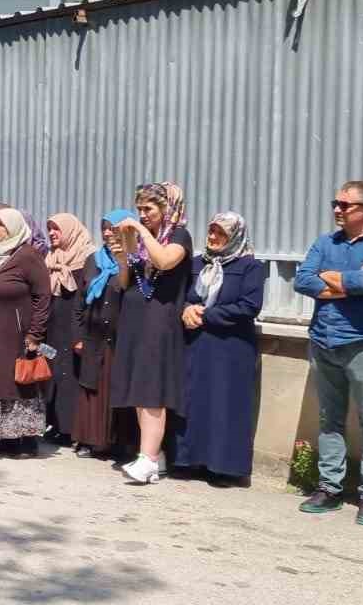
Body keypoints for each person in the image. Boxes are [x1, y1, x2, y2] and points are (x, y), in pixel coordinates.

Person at [293, 180, 363, 524]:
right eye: (336, 203)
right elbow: (302, 280)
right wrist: (348, 283)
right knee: (330, 418)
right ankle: (330, 488)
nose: (337, 210)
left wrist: (334, 279)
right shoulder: (325, 242)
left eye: (345, 205)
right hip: (324, 341)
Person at [112, 182, 194, 484]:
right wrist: (124, 256)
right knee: (138, 389)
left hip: (160, 319)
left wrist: (140, 232)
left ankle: (147, 458)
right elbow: (126, 281)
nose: (143, 215)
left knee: (152, 390)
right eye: (139, 209)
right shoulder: (145, 241)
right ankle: (151, 455)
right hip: (136, 317)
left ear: (166, 208)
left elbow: (163, 261)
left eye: (149, 209)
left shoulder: (179, 237)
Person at [176, 212, 265, 484]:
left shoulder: (251, 266)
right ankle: (188, 460)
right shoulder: (196, 264)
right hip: (196, 345)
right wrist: (185, 310)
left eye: (220, 233)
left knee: (225, 405)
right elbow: (179, 297)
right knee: (193, 401)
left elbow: (249, 306)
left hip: (231, 348)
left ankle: (223, 467)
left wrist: (205, 315)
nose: (213, 238)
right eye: (211, 231)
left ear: (234, 236)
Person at [0, 208, 51, 456]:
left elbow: (42, 296)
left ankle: (24, 438)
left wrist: (35, 333)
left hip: (16, 333)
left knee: (17, 383)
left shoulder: (28, 256)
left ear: (13, 227)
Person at [72, 210, 135, 459]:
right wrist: (77, 335)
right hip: (92, 336)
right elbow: (79, 301)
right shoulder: (93, 260)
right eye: (104, 228)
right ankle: (89, 440)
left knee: (116, 389)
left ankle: (117, 443)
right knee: (91, 388)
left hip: (120, 339)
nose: (108, 233)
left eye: (113, 228)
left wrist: (123, 263)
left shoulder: (133, 261)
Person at [42, 214, 91, 443]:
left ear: (70, 231)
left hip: (73, 331)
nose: (52, 233)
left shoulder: (86, 258)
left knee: (70, 374)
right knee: (52, 373)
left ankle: (70, 428)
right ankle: (54, 422)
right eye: (49, 228)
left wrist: (80, 334)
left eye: (57, 229)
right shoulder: (50, 258)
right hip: (51, 330)